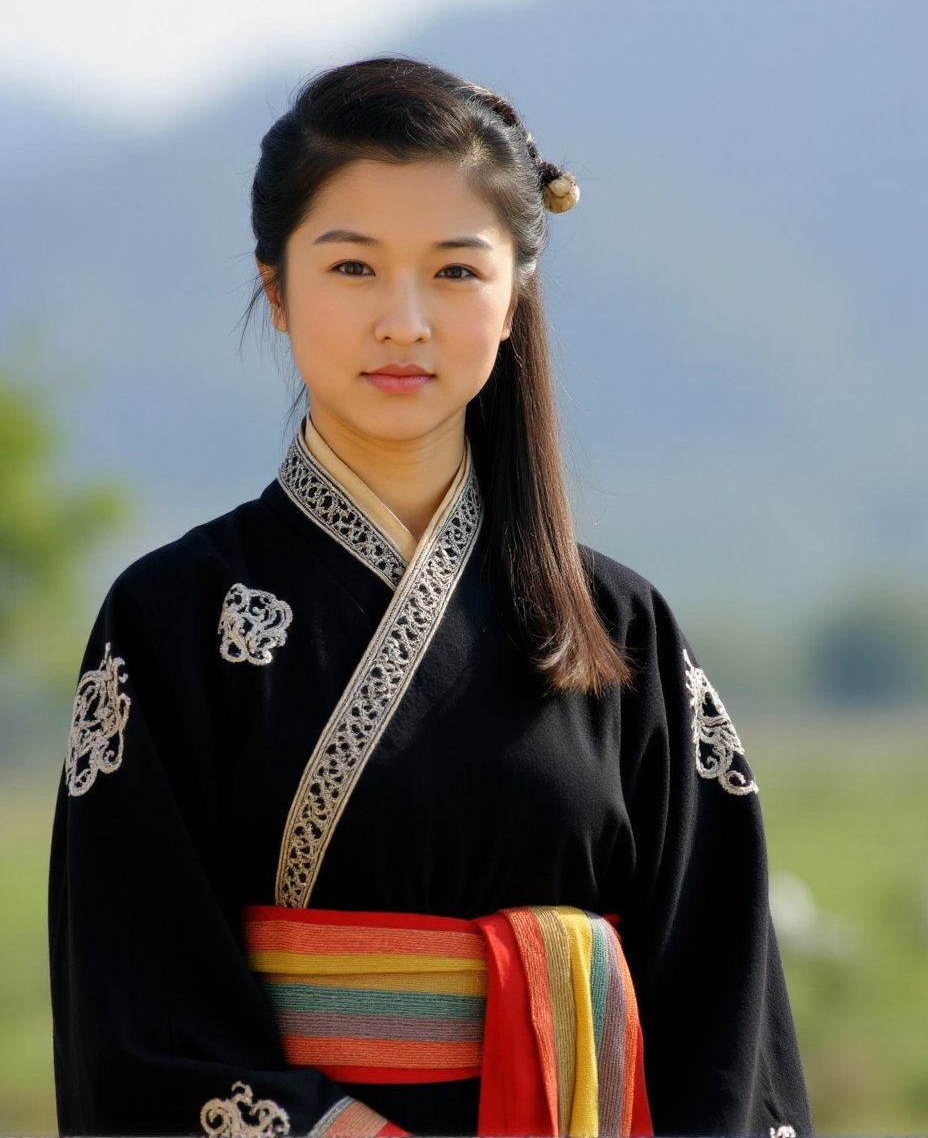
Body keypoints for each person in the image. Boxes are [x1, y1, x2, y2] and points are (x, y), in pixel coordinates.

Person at [48, 56, 812, 1138]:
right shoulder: (170, 621)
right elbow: (135, 1008)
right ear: (277, 289)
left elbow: (723, 1014)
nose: (404, 320)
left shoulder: (619, 630)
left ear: (514, 296)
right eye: (353, 268)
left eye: (455, 272)